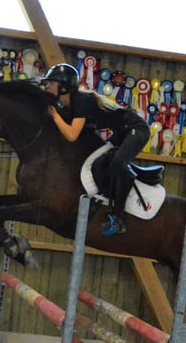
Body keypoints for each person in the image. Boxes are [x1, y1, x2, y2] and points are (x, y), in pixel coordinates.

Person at [41, 63, 149, 236]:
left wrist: (53, 115)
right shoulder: (68, 105)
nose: (47, 86)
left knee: (118, 163)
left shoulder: (82, 101)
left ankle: (119, 218)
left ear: (63, 85)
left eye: (50, 83)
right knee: (103, 161)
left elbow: (71, 135)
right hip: (122, 132)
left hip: (136, 129)